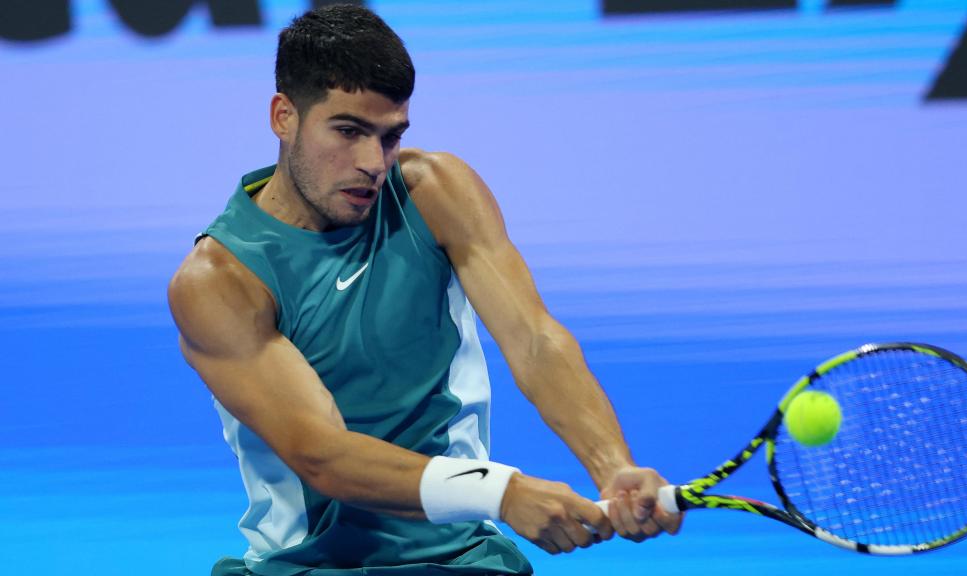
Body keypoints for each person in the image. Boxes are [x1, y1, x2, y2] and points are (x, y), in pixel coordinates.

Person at [168, 5, 682, 575]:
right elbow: (324, 456)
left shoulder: (435, 193)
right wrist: (501, 492)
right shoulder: (219, 281)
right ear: (283, 116)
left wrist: (611, 466)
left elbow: (533, 340)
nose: (372, 164)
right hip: (302, 567)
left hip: (462, 559)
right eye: (348, 131)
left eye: (390, 137)